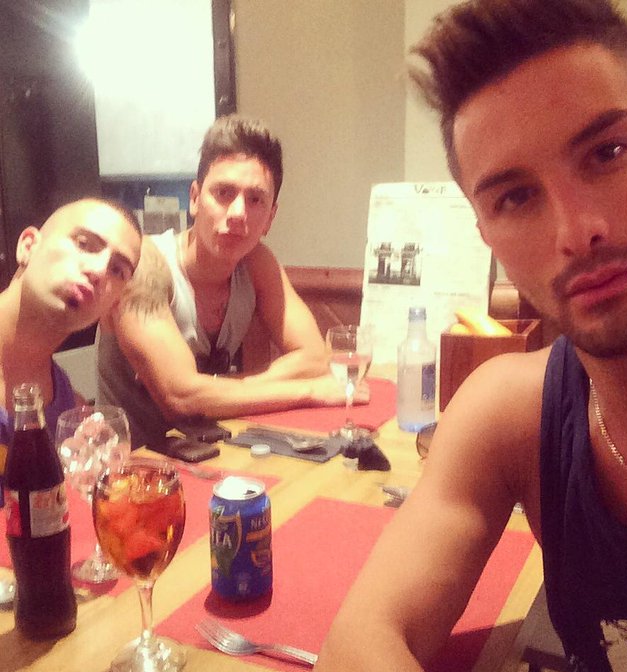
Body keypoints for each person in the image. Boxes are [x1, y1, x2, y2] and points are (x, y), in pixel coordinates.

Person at [312, 1, 627, 672]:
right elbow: (360, 642)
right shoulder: (511, 412)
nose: (576, 231)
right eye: (514, 197)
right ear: (485, 233)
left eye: (607, 153)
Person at [97, 114, 362, 449]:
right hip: (133, 466)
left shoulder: (256, 262)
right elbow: (181, 397)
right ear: (195, 199)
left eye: (256, 199)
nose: (238, 213)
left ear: (270, 217)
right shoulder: (145, 264)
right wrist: (309, 392)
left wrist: (225, 391)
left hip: (213, 453)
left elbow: (315, 357)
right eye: (223, 193)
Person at [0, 197, 141, 445]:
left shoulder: (67, 405)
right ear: (28, 247)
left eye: (118, 270)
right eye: (84, 244)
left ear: (115, 302)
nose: (98, 271)